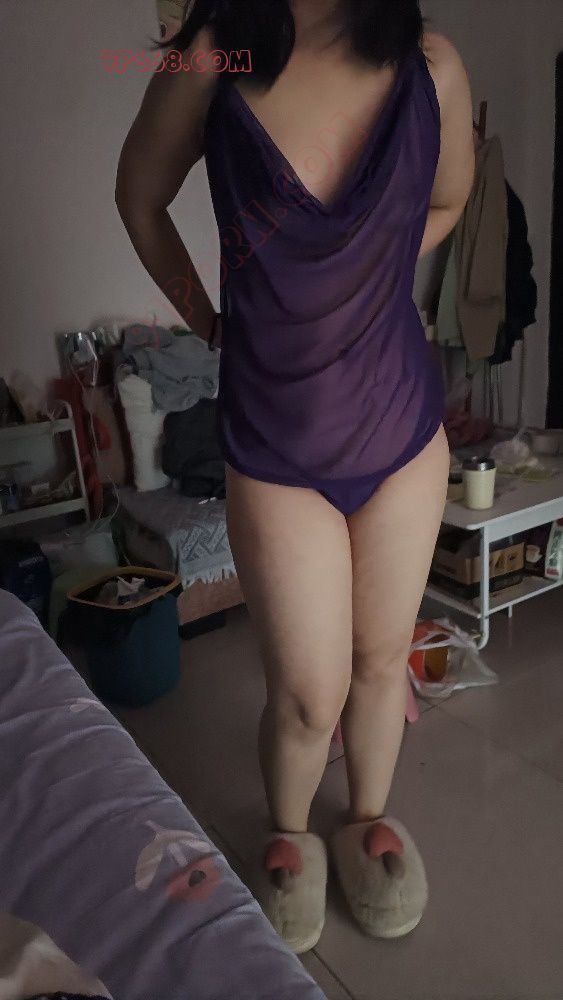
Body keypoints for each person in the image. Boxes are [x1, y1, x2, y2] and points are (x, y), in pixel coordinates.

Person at [116, 0, 475, 954]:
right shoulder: (211, 56)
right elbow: (139, 197)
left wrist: (365, 267)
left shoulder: (431, 65)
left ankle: (367, 819)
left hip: (401, 430)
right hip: (274, 445)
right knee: (309, 694)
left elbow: (447, 201)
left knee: (380, 662)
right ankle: (288, 831)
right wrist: (209, 320)